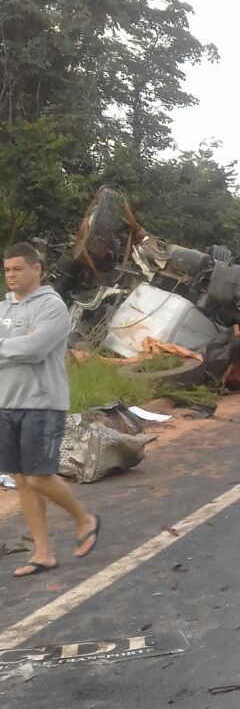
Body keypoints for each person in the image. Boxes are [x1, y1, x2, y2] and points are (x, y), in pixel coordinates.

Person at [0, 243, 100, 577]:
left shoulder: (52, 307)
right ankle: (42, 553)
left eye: (17, 268)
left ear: (36, 269)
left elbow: (35, 349)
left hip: (42, 403)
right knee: (21, 480)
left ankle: (83, 518)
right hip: (6, 403)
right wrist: (15, 346)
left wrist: (13, 346)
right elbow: (21, 348)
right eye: (7, 269)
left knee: (38, 475)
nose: (11, 275)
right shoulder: (4, 309)